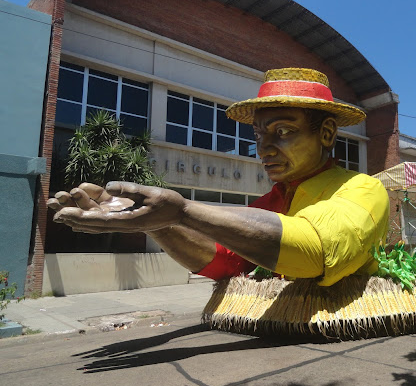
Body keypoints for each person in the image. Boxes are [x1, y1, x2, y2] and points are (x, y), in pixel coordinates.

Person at [49, 68, 390, 286]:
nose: (265, 149)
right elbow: (225, 264)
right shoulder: (267, 205)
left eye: (283, 130)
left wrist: (182, 211)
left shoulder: (361, 189)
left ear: (327, 133)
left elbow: (315, 249)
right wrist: (156, 223)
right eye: (258, 135)